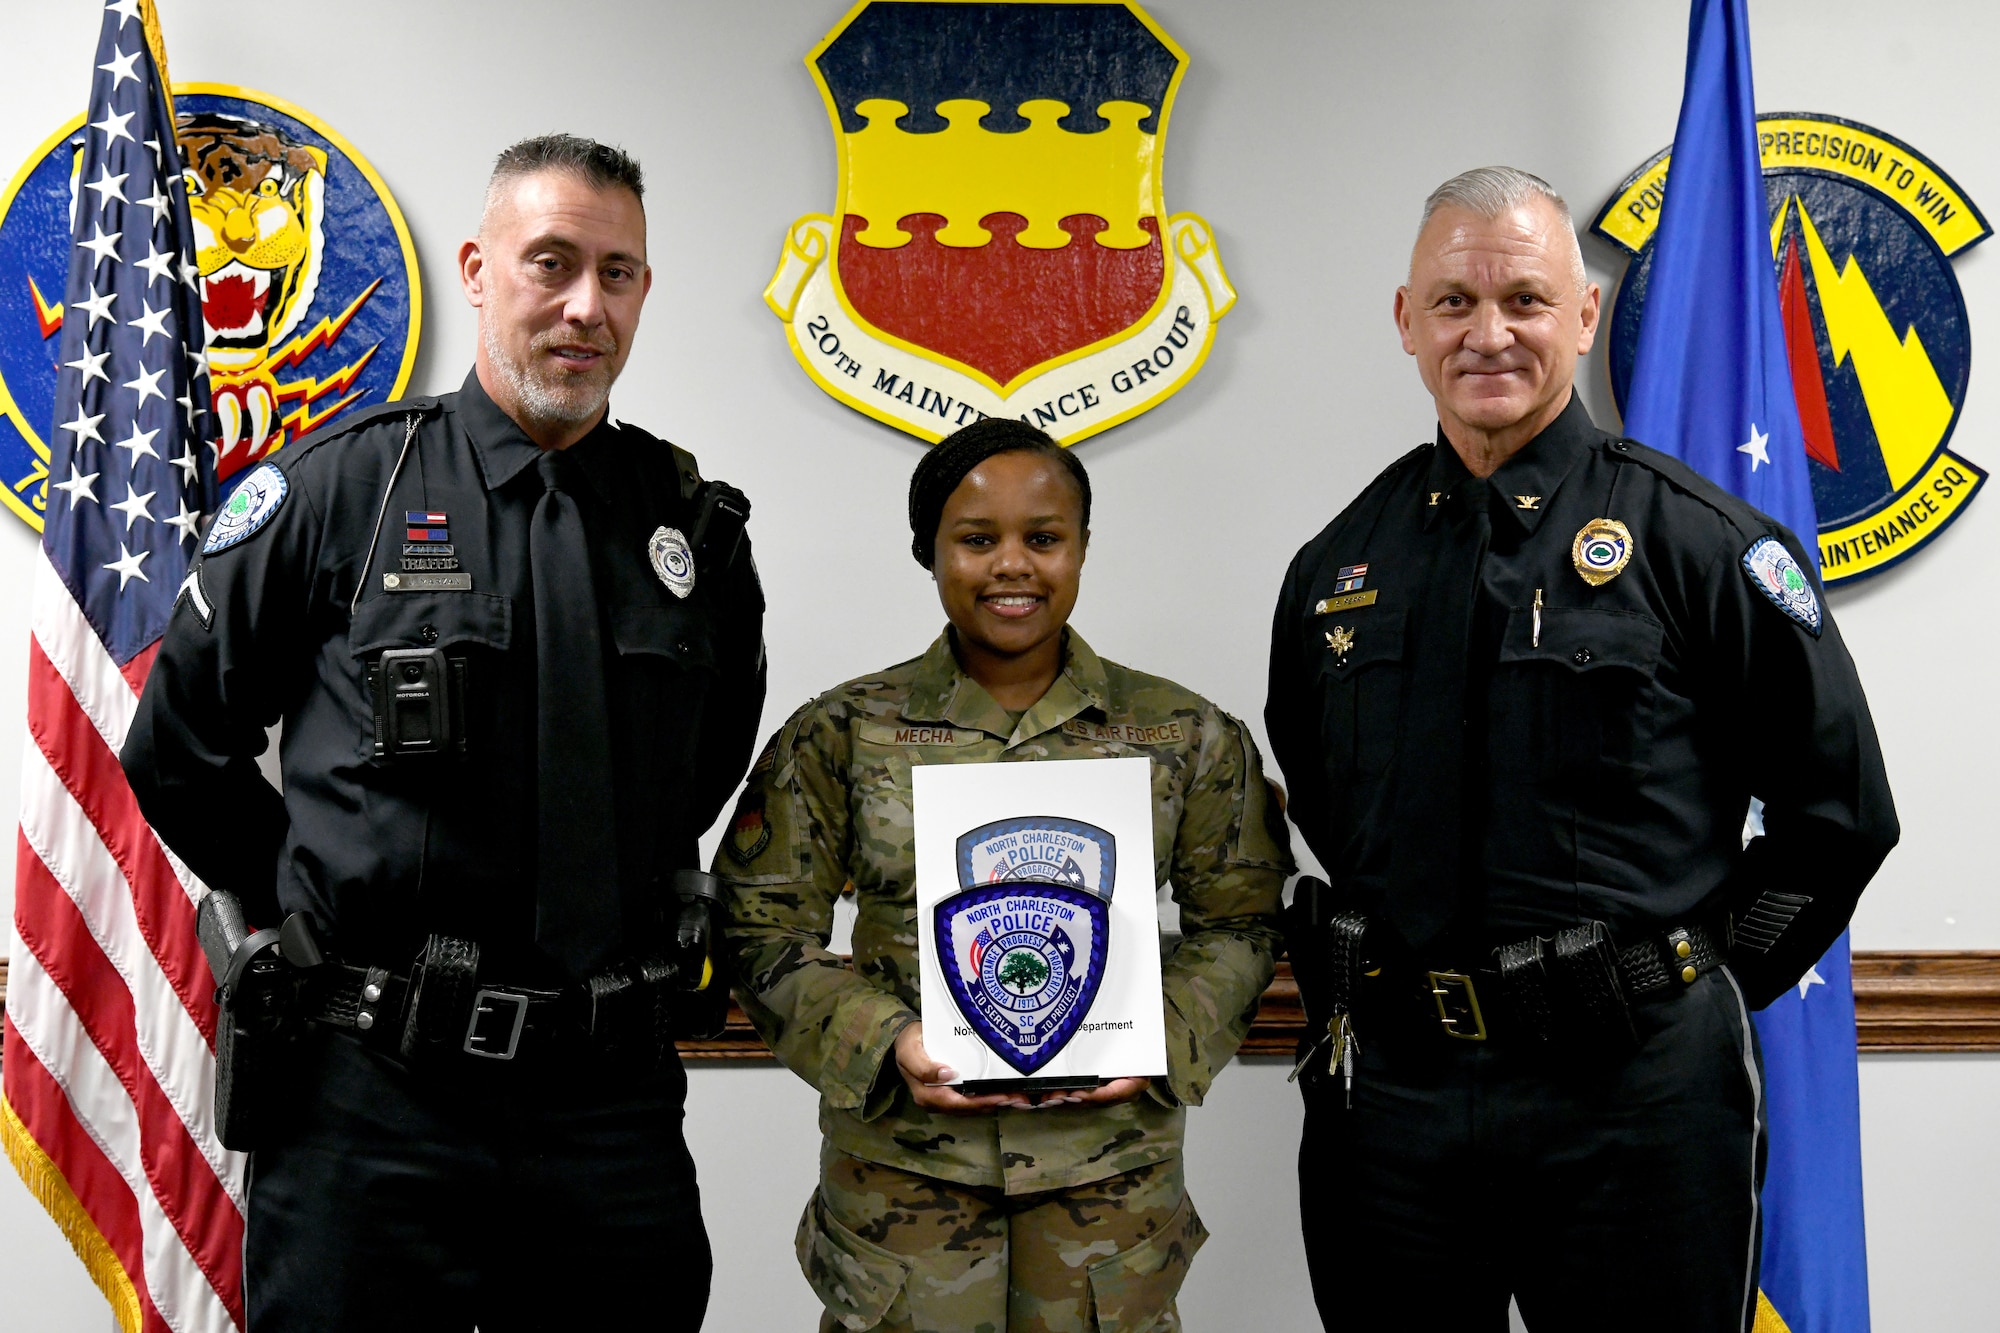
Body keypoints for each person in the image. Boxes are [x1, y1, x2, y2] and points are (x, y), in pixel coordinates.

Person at [121, 134, 765, 1331]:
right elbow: (179, 742)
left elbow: (700, 761)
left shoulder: (695, 536)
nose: (585, 306)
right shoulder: (341, 492)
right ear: (476, 268)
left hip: (606, 1106)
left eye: (616, 274)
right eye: (551, 263)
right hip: (374, 1099)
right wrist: (314, 905)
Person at [1265, 166, 1898, 1330]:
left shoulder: (1697, 543)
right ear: (1405, 322)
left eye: (1523, 299)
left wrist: (1679, 983)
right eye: (1452, 303)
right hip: (1392, 1105)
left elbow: (1836, 816)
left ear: (1584, 313)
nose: (1487, 333)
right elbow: (1326, 797)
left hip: (1634, 1102)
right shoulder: (1336, 566)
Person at [716, 418, 1290, 1333]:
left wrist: (1157, 1035)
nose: (1013, 565)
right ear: (930, 552)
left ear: (1083, 546)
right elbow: (760, 929)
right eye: (977, 540)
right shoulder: (842, 730)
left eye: (1045, 537)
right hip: (903, 1192)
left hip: (1110, 1199)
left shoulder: (1185, 733)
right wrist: (885, 1038)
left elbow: (1246, 926)